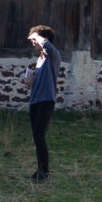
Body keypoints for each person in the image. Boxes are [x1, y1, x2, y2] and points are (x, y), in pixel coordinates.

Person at [25, 23, 60, 182]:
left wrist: (36, 35)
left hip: (46, 100)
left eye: (35, 40)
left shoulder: (53, 56)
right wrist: (29, 81)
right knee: (36, 136)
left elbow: (47, 46)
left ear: (44, 39)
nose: (33, 43)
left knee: (39, 135)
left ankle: (44, 172)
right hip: (35, 101)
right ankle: (39, 169)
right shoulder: (39, 60)